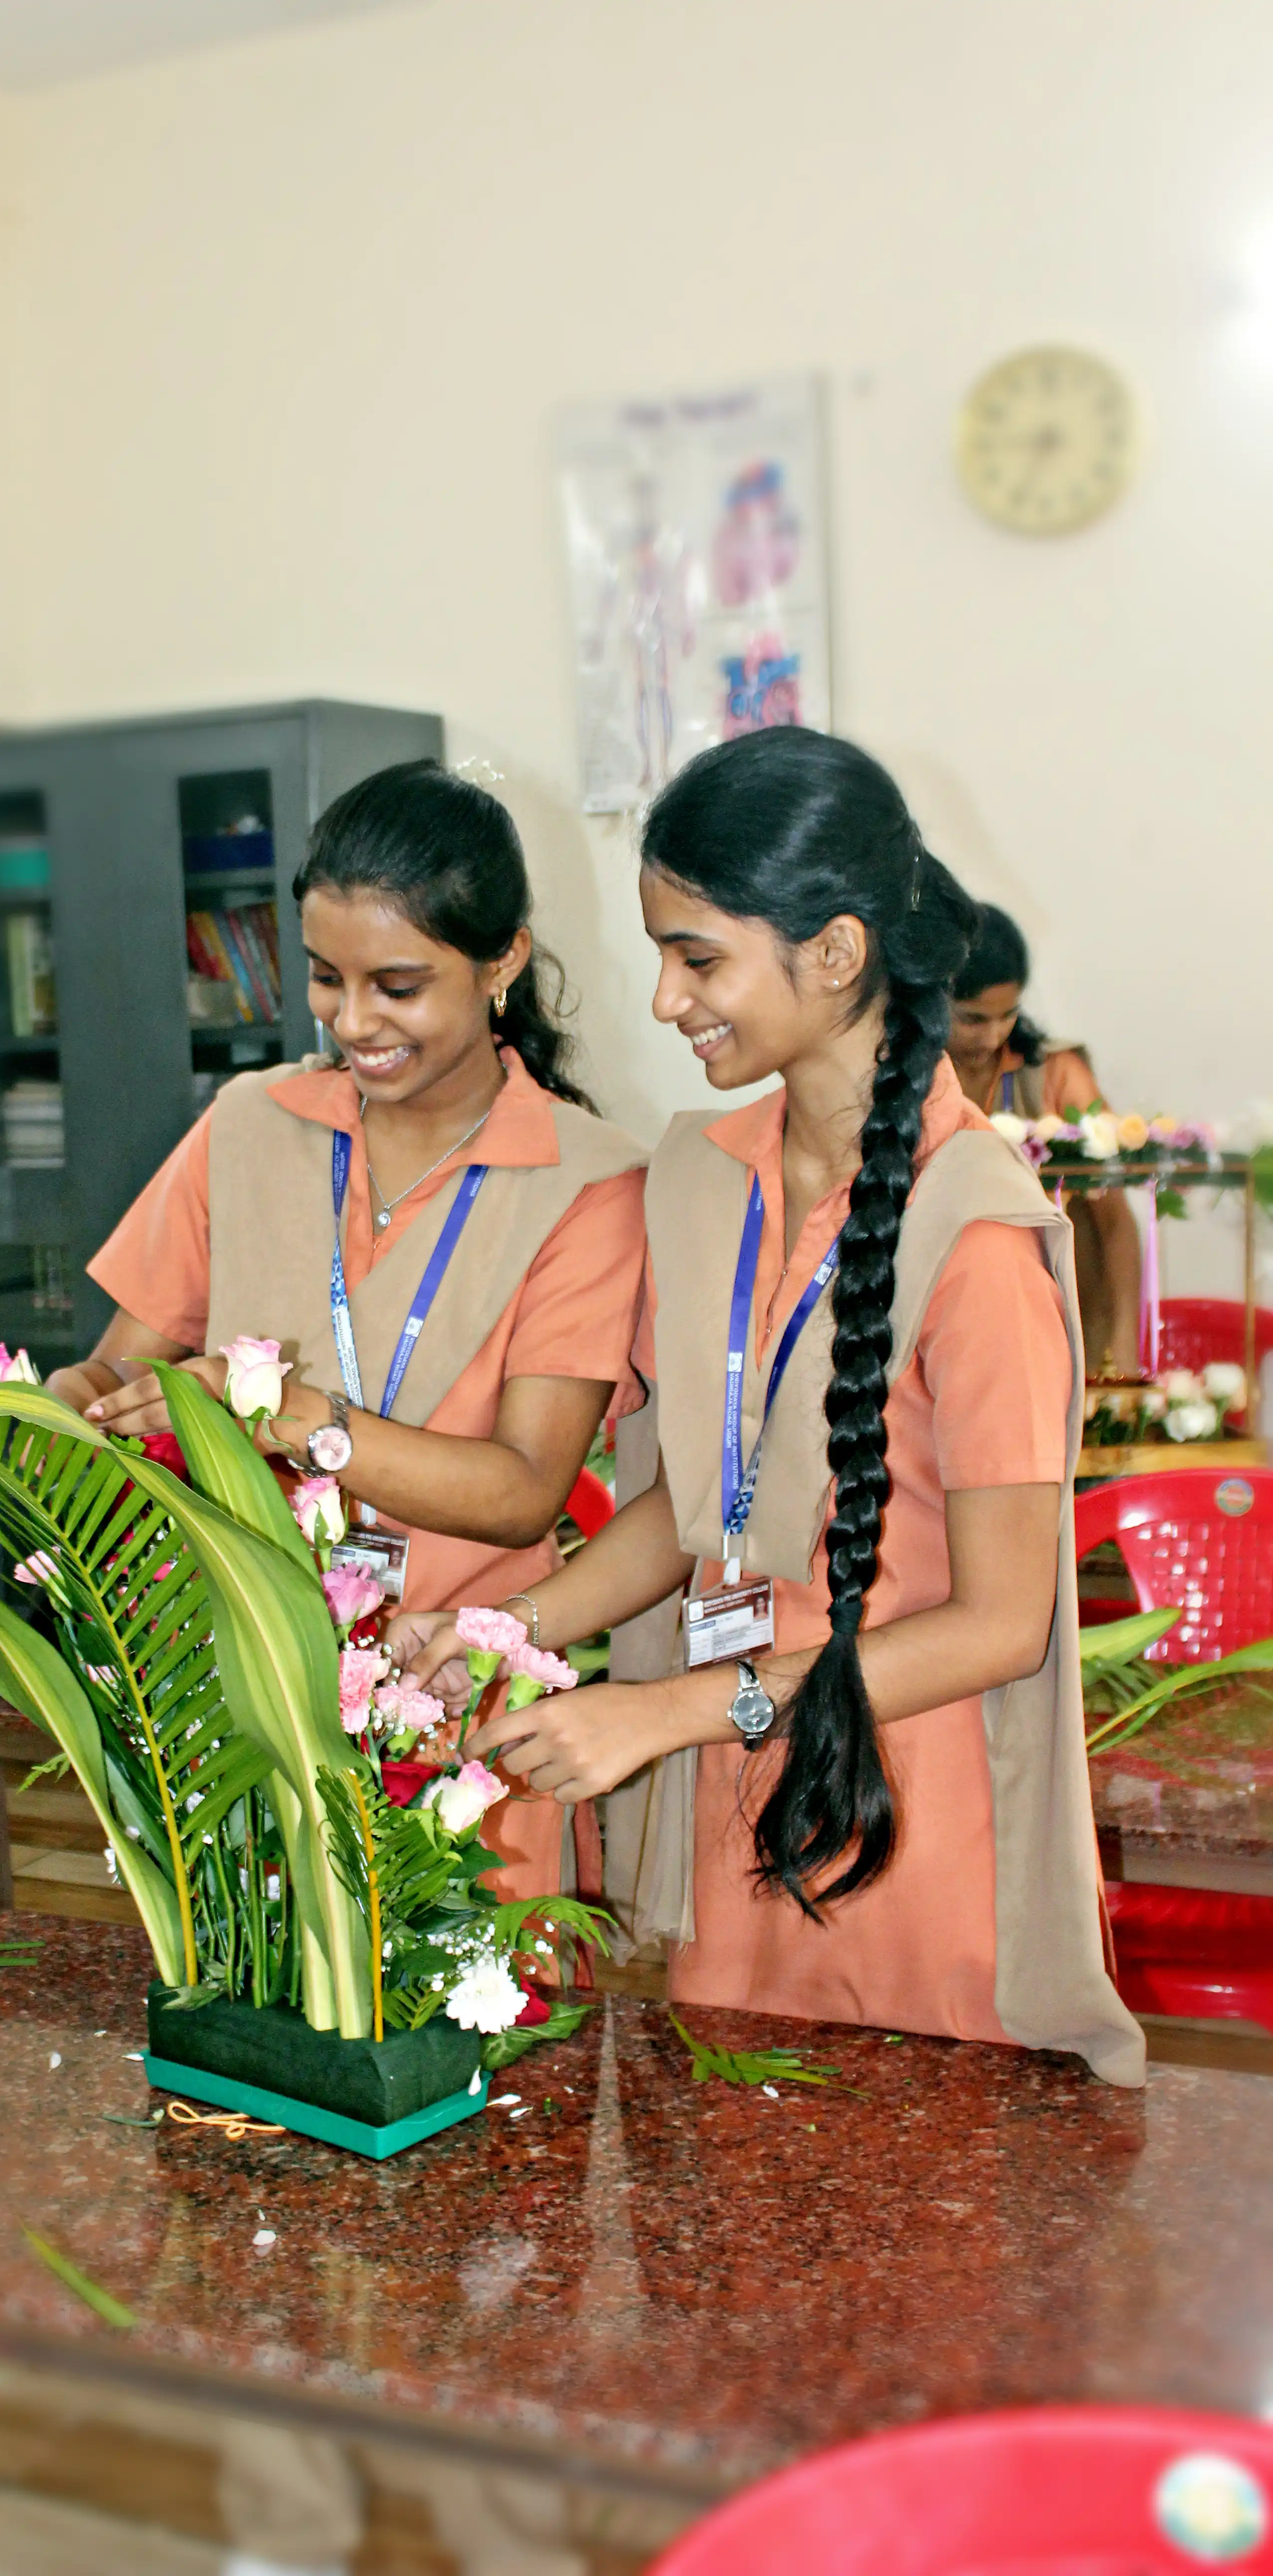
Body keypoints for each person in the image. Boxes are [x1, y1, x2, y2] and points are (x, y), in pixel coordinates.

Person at [392, 728, 1142, 2088]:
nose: (669, 1000)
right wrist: (509, 1625)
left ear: (838, 954)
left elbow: (998, 1622)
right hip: (737, 1796)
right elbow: (692, 1512)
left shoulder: (976, 1237)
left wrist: (673, 1710)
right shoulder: (698, 1179)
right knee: (734, 2238)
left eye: (700, 957)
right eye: (660, 955)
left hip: (907, 1823)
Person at [48, 759, 648, 1902]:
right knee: (259, 2028)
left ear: (502, 961)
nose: (351, 1020)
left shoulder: (587, 1179)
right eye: (326, 978)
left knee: (479, 2044)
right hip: (240, 1693)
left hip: (461, 1702)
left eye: (398, 985)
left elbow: (525, 1488)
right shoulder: (247, 1126)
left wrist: (289, 1416)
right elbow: (121, 1360)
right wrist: (69, 1410)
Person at [947, 901, 1142, 1372]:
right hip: (947, 1322)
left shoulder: (1055, 1075)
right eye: (973, 1019)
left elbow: (1115, 1223)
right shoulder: (901, 1076)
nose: (994, 1036)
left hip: (1054, 1324)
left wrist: (1124, 1343)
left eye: (1008, 1015)